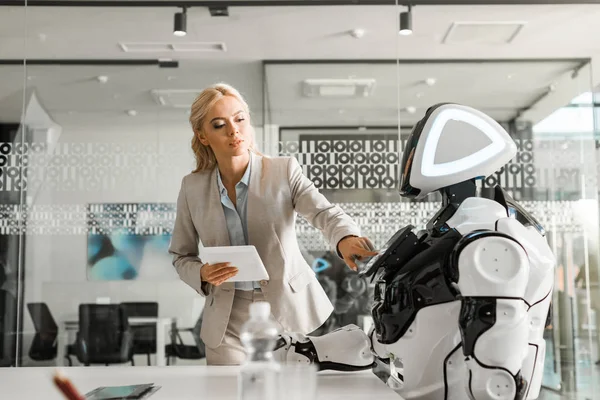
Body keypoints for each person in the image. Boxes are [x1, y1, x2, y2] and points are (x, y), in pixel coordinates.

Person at [168, 83, 377, 365]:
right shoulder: (192, 187)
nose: (234, 131)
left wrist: (345, 238)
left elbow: (324, 213)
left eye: (240, 119)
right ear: (203, 136)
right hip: (227, 320)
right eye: (220, 125)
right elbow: (181, 255)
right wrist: (202, 273)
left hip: (286, 309)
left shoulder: (282, 171)